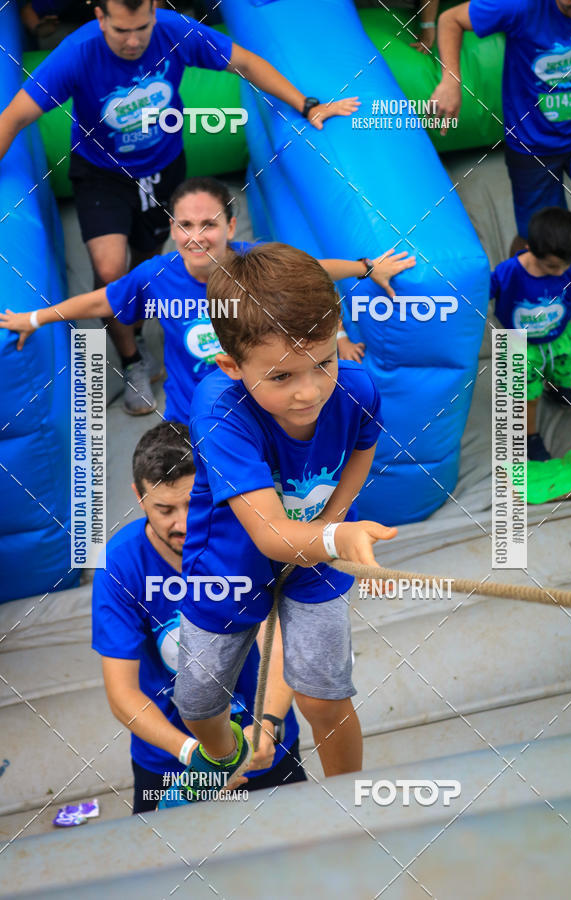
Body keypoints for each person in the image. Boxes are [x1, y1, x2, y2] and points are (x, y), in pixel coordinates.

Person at [0, 0, 359, 414]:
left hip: (165, 167)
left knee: (145, 263)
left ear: (154, 11)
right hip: (102, 175)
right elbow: (11, 118)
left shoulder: (175, 32)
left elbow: (246, 62)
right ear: (99, 18)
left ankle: (134, 313)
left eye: (142, 27)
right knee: (111, 270)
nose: (134, 41)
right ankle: (134, 360)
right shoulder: (76, 54)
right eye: (121, 31)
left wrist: (307, 104)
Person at [157, 242, 397, 806]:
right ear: (232, 367)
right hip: (231, 562)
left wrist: (336, 520)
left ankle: (350, 806)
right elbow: (267, 533)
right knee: (198, 699)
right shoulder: (219, 410)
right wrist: (336, 536)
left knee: (324, 698)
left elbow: (363, 446)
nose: (309, 390)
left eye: (322, 362)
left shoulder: (355, 388)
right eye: (283, 376)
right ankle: (226, 756)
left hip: (318, 550)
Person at [0, 177, 416, 422]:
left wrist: (365, 266)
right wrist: (33, 319)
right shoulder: (157, 274)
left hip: (262, 400)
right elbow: (98, 302)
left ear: (231, 226)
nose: (196, 236)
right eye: (184, 225)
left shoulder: (257, 261)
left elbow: (315, 269)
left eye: (209, 224)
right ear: (172, 229)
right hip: (196, 412)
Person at [92, 421, 306, 813]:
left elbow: (280, 642)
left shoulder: (257, 538)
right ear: (139, 498)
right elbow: (122, 694)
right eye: (165, 509)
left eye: (194, 503)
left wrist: (268, 721)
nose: (183, 523)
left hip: (266, 744)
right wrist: (198, 755)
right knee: (165, 870)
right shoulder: (118, 565)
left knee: (297, 862)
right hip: (173, 762)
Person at [430, 0, 571, 341]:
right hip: (533, 144)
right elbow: (450, 19)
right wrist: (451, 79)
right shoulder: (519, 6)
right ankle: (516, 322)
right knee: (537, 240)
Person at [490, 207, 571, 461]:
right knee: (527, 397)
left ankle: (553, 386)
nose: (560, 271)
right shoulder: (509, 272)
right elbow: (480, 291)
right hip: (520, 346)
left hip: (559, 339)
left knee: (561, 371)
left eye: (565, 265)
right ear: (530, 249)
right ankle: (531, 436)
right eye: (552, 266)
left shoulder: (567, 266)